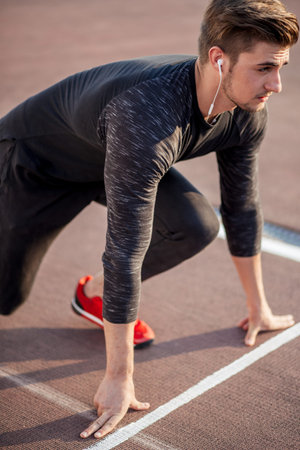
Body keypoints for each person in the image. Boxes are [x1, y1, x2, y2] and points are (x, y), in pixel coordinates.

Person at [0, 0, 298, 440]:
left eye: (282, 67)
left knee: (196, 224)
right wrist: (119, 378)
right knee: (7, 298)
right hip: (36, 165)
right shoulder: (148, 116)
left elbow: (242, 208)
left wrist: (259, 308)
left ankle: (94, 296)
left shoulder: (245, 111)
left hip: (107, 159)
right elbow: (124, 247)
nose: (275, 84)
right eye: (264, 68)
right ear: (219, 58)